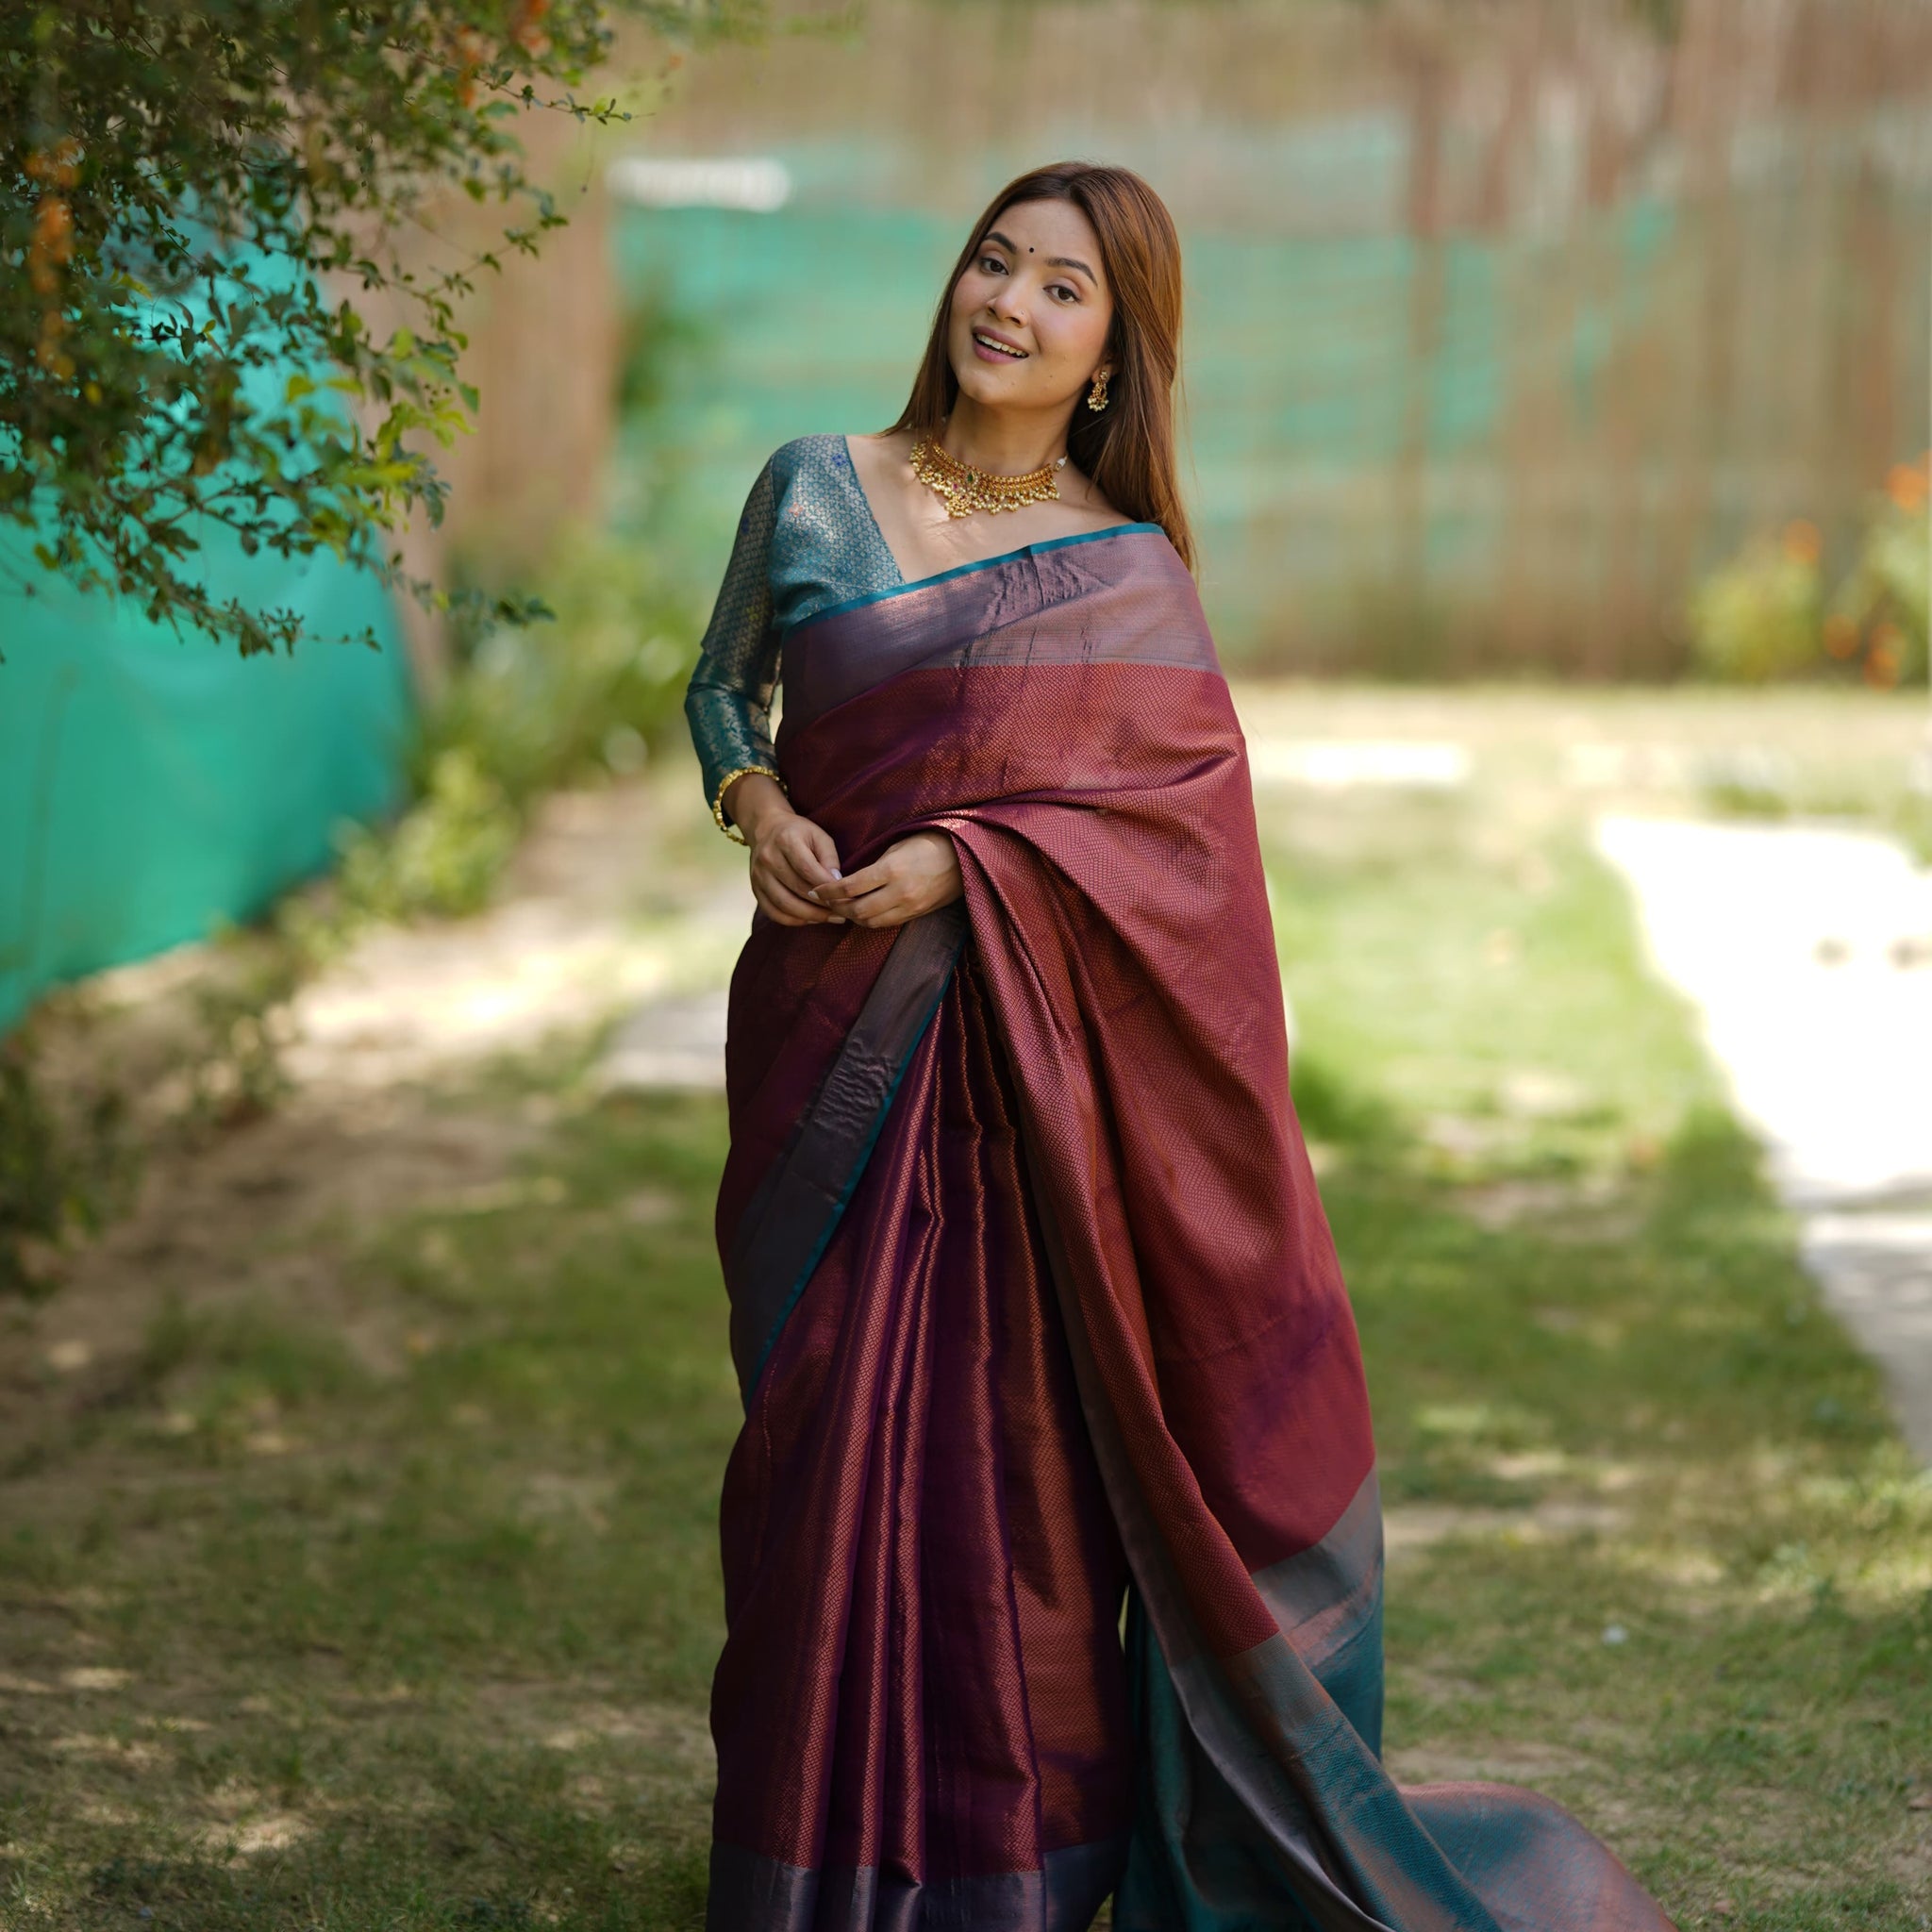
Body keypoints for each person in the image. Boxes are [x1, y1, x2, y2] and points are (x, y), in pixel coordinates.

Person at [682, 160, 1678, 1932]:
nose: (1011, 303)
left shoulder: (1124, 576)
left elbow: (1180, 849)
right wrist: (752, 798)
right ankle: (812, 1861)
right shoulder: (816, 487)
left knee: (1013, 1487)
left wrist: (966, 863)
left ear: (1115, 358)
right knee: (819, 1448)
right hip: (831, 1053)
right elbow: (718, 689)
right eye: (995, 262)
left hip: (1022, 1101)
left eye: (1064, 290)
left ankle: (1011, 1880)